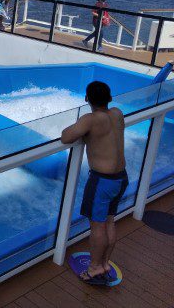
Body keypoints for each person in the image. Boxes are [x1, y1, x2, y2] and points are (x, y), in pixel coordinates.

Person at [61, 81, 127, 286]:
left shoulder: (90, 120)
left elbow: (66, 137)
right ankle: (105, 263)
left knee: (97, 227)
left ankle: (95, 268)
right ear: (109, 98)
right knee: (109, 221)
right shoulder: (117, 113)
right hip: (121, 178)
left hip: (102, 181)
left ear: (87, 99)